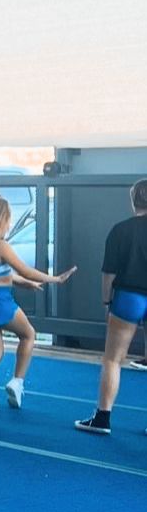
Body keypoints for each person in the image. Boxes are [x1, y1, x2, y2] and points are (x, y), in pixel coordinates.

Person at [0, 197, 74, 413]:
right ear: (2, 219)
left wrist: (24, 283)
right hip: (1, 302)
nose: (10, 225)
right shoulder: (0, 245)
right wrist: (55, 279)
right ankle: (17, 381)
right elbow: (24, 269)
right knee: (28, 334)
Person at [76, 178, 147, 435]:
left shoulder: (120, 230)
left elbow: (108, 273)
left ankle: (103, 418)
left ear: (133, 201)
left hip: (128, 297)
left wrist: (107, 302)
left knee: (113, 359)